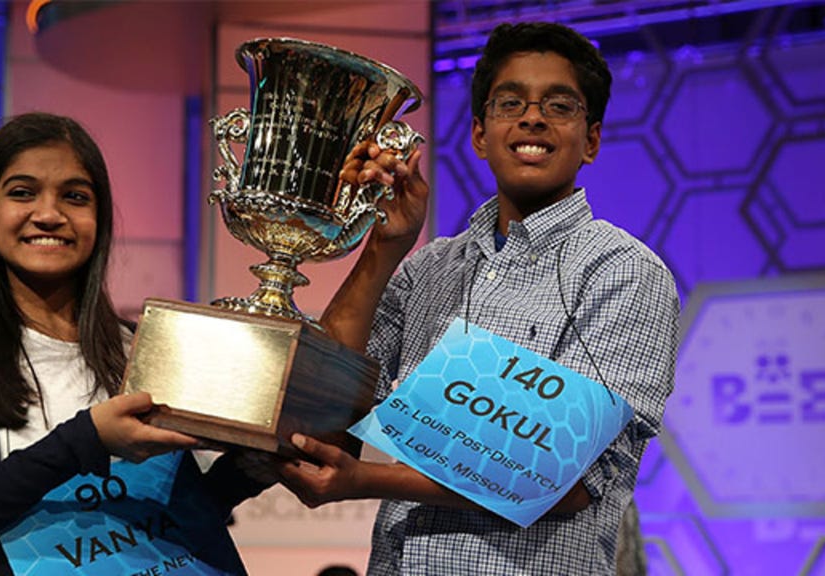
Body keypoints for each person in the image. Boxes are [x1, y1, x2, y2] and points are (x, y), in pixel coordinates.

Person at [277, 21, 679, 575]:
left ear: (591, 141)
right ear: (479, 134)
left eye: (559, 105)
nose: (532, 117)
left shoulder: (623, 271)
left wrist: (364, 479)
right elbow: (326, 403)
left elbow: (572, 480)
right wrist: (385, 248)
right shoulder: (428, 269)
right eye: (510, 102)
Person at [0, 112, 265, 575]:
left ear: (99, 218)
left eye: (75, 197)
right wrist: (85, 440)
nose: (48, 214)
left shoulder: (137, 346)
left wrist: (248, 473)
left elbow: (161, 524)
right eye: (22, 192)